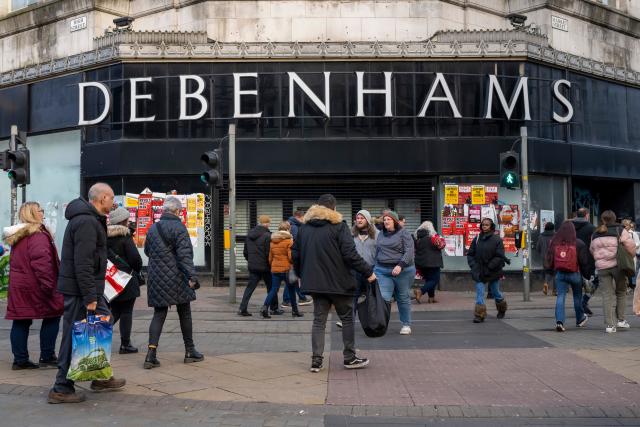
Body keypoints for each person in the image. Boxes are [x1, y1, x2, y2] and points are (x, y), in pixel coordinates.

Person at [49, 183, 126, 404]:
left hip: (86, 288)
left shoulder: (91, 219)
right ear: (102, 198)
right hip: (81, 291)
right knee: (75, 336)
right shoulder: (86, 222)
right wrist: (90, 297)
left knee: (102, 323)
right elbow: (83, 263)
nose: (114, 203)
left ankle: (99, 374)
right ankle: (62, 387)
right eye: (112, 199)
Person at [292, 194, 375, 373]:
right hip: (340, 283)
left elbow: (296, 255)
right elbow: (350, 255)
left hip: (315, 283)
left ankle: (316, 361)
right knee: (346, 318)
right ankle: (349, 357)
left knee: (318, 321)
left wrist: (300, 274)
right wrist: (368, 271)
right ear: (334, 209)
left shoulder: (304, 228)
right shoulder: (339, 226)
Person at [143, 196, 203, 369]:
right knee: (184, 312)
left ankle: (150, 354)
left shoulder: (153, 228)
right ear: (178, 211)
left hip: (156, 278)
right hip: (177, 277)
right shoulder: (179, 228)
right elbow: (185, 256)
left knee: (159, 314)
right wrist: (193, 276)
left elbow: (147, 251)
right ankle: (190, 351)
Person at [3, 202, 63, 370]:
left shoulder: (19, 235)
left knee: (21, 320)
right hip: (35, 286)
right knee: (54, 314)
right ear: (32, 214)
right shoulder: (37, 235)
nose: (43, 213)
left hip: (20, 286)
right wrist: (49, 286)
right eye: (40, 210)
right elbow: (42, 264)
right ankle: (47, 356)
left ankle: (20, 360)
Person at [590, 210, 636, 333]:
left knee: (607, 295)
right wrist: (630, 257)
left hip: (602, 268)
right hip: (618, 266)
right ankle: (621, 320)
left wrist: (600, 258)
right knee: (621, 292)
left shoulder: (595, 233)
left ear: (602, 219)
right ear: (615, 219)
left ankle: (610, 325)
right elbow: (631, 246)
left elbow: (592, 249)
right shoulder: (620, 230)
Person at [106, 207, 143, 354]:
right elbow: (135, 259)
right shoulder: (125, 236)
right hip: (126, 279)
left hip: (111, 279)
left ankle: (100, 333)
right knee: (126, 311)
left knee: (115, 309)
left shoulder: (105, 237)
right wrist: (136, 268)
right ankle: (125, 344)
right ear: (124, 221)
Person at [374, 210, 416, 335]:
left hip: (403, 271)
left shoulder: (404, 233)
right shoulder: (381, 234)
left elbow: (409, 251)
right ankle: (381, 324)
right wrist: (375, 268)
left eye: (389, 219)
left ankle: (406, 324)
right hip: (383, 270)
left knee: (402, 297)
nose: (386, 221)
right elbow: (378, 251)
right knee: (383, 298)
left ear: (395, 221)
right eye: (384, 219)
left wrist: (400, 265)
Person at [545, 221, 590, 332]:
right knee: (577, 297)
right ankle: (580, 318)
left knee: (560, 296)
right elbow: (584, 262)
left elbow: (549, 260)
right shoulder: (578, 243)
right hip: (575, 273)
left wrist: (550, 273)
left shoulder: (555, 243)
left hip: (560, 274)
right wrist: (587, 275)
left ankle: (559, 321)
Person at [336, 209, 378, 328]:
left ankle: (372, 321)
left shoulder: (377, 234)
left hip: (371, 270)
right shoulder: (351, 234)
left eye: (362, 218)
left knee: (371, 297)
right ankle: (348, 321)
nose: (359, 220)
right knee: (352, 296)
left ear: (368, 220)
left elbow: (380, 252)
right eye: (357, 218)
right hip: (355, 270)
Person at [238, 215, 281, 316]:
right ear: (267, 223)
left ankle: (242, 308)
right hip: (265, 266)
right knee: (271, 287)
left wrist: (251, 261)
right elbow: (268, 253)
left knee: (250, 288)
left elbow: (245, 252)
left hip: (253, 266)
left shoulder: (249, 234)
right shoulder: (267, 235)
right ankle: (274, 308)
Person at [467, 218, 508, 323]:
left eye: (487, 225)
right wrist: (473, 266)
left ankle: (501, 308)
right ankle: (479, 315)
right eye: (483, 225)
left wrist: (490, 266)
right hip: (479, 270)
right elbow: (470, 254)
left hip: (493, 270)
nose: (484, 226)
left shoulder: (497, 240)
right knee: (480, 292)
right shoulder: (476, 239)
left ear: (491, 226)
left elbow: (499, 256)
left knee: (495, 292)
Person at [262, 221, 303, 318]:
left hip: (275, 269)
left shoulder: (273, 241)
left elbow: (270, 258)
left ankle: (264, 307)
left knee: (273, 289)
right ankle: (295, 311)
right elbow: (290, 257)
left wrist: (274, 265)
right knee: (291, 290)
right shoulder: (289, 241)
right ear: (288, 229)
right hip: (287, 269)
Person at [572, 208, 597, 314]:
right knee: (593, 283)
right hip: (588, 260)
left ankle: (579, 307)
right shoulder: (592, 228)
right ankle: (584, 301)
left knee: (577, 285)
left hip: (572, 259)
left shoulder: (570, 226)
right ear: (587, 215)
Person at [283, 210, 311, 307]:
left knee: (293, 278)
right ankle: (289, 299)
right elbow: (296, 242)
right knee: (293, 277)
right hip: (294, 255)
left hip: (293, 255)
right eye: (303, 218)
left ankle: (296, 298)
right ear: (299, 217)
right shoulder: (295, 227)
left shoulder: (293, 225)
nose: (304, 220)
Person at [414, 221, 443, 304]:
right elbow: (441, 245)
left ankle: (431, 298)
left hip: (421, 263)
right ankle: (420, 291)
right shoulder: (433, 237)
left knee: (429, 280)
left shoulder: (417, 237)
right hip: (433, 262)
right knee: (435, 280)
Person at [536, 222, 556, 296]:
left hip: (545, 258)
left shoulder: (541, 236)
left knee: (548, 272)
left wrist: (542, 254)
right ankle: (554, 290)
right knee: (555, 273)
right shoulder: (556, 235)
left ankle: (546, 283)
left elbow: (538, 247)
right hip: (555, 257)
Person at [622, 219, 640, 289]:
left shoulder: (633, 233)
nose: (625, 227)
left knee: (632, 269)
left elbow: (638, 243)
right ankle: (627, 284)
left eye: (627, 225)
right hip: (623, 255)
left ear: (629, 226)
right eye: (624, 225)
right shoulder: (620, 233)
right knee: (625, 270)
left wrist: (632, 246)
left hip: (631, 254)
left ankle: (632, 284)